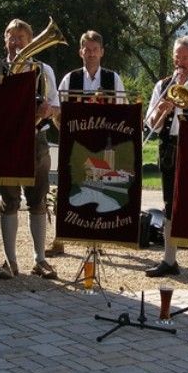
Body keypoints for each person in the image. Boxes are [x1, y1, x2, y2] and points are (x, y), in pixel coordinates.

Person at [0, 19, 60, 280]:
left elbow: (56, 106)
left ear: (31, 40)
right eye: (12, 37)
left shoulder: (43, 69)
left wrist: (48, 110)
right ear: (4, 39)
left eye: (21, 37)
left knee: (38, 200)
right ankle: (10, 261)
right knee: (9, 201)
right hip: (6, 141)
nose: (16, 42)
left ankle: (40, 259)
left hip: (36, 138)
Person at [49, 30, 126, 257]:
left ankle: (96, 240)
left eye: (95, 50)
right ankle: (59, 238)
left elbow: (123, 112)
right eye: (87, 49)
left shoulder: (114, 79)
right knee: (65, 190)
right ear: (80, 51)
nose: (91, 54)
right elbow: (57, 114)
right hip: (75, 145)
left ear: (102, 52)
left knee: (98, 191)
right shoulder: (69, 79)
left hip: (103, 145)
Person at [144, 36, 188, 279]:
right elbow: (152, 124)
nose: (179, 62)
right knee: (170, 204)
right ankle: (169, 260)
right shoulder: (163, 85)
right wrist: (162, 109)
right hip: (170, 147)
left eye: (184, 58)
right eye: (176, 57)